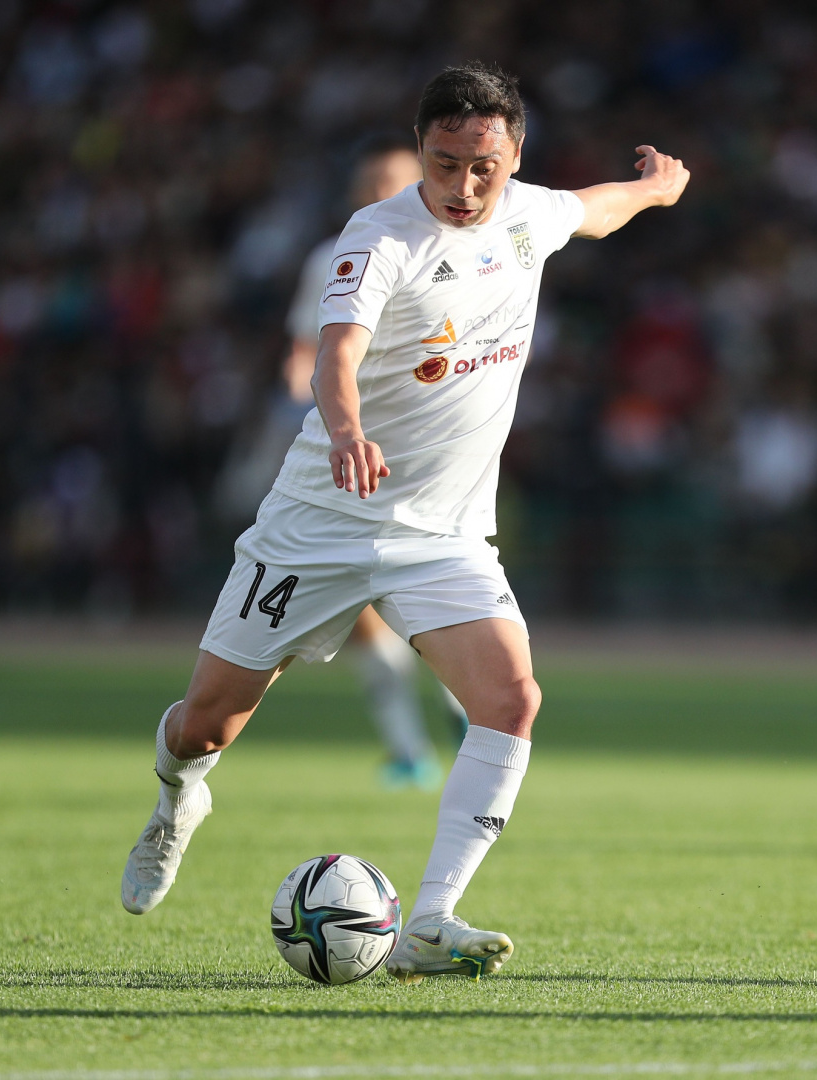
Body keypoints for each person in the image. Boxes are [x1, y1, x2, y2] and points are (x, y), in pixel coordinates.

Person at [121, 62, 687, 981]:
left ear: (513, 157)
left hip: (442, 535)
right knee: (206, 727)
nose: (462, 186)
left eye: (482, 167)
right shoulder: (378, 237)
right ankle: (177, 801)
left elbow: (594, 208)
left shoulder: (527, 216)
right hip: (321, 518)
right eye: (444, 164)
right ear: (421, 150)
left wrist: (655, 190)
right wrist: (345, 430)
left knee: (510, 700)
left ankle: (429, 920)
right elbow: (334, 356)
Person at [242, 133, 467, 790]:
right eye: (368, 185)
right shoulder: (333, 256)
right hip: (347, 451)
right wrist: (299, 393)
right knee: (362, 607)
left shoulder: (458, 250)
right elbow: (307, 347)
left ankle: (464, 711)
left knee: (438, 593)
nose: (378, 195)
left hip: (423, 456)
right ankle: (408, 749)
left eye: (391, 182)